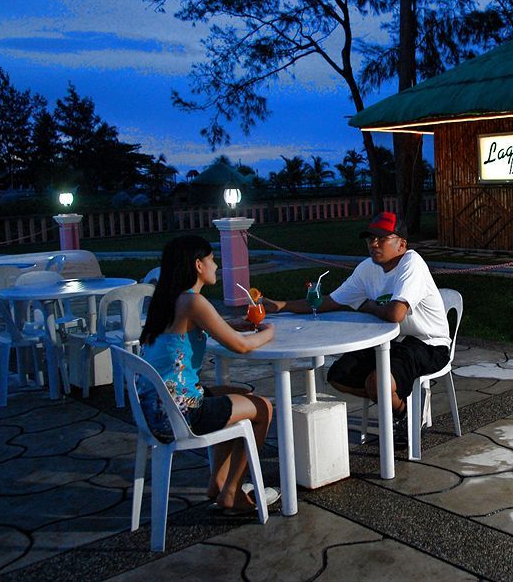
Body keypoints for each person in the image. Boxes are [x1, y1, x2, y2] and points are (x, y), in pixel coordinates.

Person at [263, 212, 451, 433]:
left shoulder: (411, 263)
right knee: (337, 376)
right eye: (370, 238)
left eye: (382, 238)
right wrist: (280, 305)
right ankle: (398, 400)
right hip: (392, 342)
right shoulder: (367, 269)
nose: (374, 243)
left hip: (428, 344)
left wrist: (367, 305)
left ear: (402, 244)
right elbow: (330, 302)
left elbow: (395, 314)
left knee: (377, 381)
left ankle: (403, 414)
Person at [139, 235, 276, 514]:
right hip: (179, 414)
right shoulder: (192, 302)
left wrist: (235, 324)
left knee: (241, 395)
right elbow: (240, 346)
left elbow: (201, 329)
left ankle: (219, 482)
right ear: (198, 265)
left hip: (155, 408)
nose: (217, 265)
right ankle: (233, 493)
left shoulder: (168, 299)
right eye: (213, 259)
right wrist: (268, 331)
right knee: (263, 408)